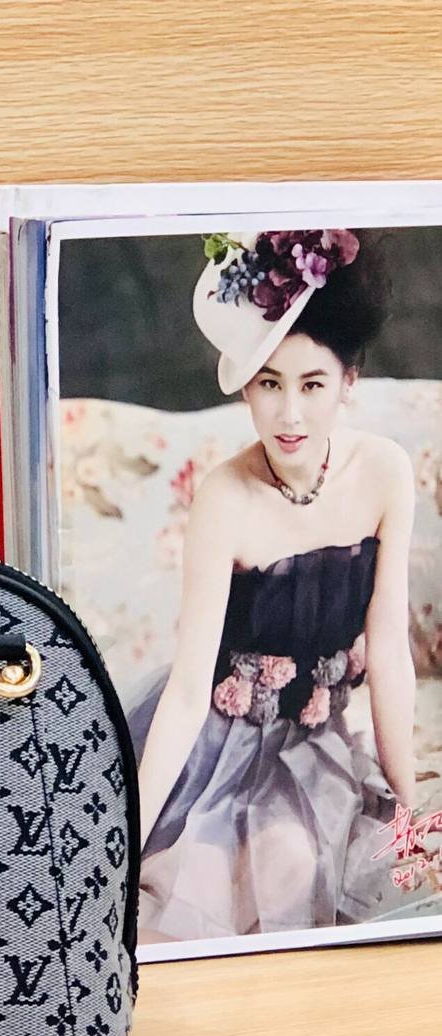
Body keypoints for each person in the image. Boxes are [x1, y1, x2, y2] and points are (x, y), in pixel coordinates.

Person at [126, 229, 418, 944]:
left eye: (312, 384)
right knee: (227, 882)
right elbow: (187, 692)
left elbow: (387, 653)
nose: (289, 415)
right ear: (245, 388)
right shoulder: (223, 497)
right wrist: (123, 843)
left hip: (314, 744)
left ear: (348, 382)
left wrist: (409, 810)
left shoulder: (383, 473)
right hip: (214, 747)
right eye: (268, 384)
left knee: (308, 862)